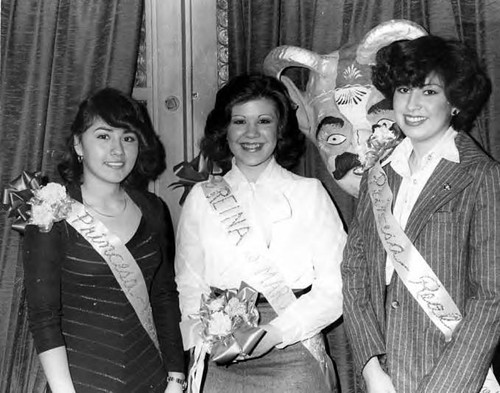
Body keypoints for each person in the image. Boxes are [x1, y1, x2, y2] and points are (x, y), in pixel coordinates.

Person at [341, 35, 500, 393]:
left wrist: (444, 387)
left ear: (455, 101)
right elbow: (354, 271)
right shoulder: (377, 174)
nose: (412, 104)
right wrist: (371, 369)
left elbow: (492, 298)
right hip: (384, 378)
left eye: (429, 92)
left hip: (453, 378)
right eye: (403, 89)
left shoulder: (482, 177)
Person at [175, 74, 347, 392]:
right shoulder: (202, 197)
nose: (251, 133)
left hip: (293, 348)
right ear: (224, 129)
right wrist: (208, 336)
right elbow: (189, 284)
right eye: (239, 121)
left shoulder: (310, 193)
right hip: (221, 352)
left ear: (279, 129)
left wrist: (275, 333)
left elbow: (335, 289)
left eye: (264, 120)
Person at [22, 88, 186, 393]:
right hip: (78, 384)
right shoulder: (52, 210)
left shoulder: (153, 209)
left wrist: (176, 379)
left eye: (128, 137)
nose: (117, 151)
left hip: (152, 379)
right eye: (103, 136)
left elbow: (164, 296)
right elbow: (43, 316)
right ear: (78, 144)